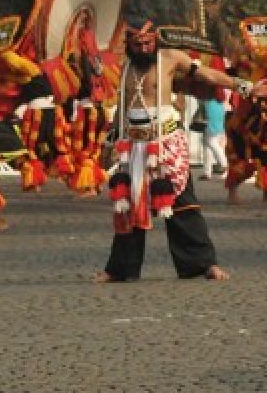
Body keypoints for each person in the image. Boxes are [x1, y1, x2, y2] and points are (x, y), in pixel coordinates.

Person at [95, 18, 250, 283]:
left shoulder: (170, 57)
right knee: (129, 205)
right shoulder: (126, 67)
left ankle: (203, 265)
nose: (144, 48)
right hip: (133, 144)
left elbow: (207, 75)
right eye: (138, 43)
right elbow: (122, 106)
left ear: (155, 39)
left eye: (148, 42)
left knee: (182, 204)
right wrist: (110, 141)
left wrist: (241, 85)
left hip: (166, 141)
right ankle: (120, 269)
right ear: (129, 44)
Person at [199, 92, 228, 181]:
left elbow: (204, 114)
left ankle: (225, 164)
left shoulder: (206, 102)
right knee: (208, 148)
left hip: (210, 127)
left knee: (212, 145)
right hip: (219, 127)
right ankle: (207, 172)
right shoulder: (220, 103)